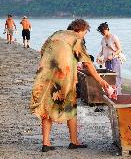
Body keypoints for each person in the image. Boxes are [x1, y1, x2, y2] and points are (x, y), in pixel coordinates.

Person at [30, 19, 109, 152]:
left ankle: (46, 144)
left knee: (46, 107)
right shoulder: (77, 38)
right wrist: (100, 81)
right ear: (81, 29)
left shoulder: (56, 34)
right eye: (85, 32)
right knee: (70, 107)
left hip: (46, 75)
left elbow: (43, 51)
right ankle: (73, 141)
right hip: (64, 78)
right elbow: (87, 63)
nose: (84, 36)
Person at [96, 22, 123, 95]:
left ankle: (118, 94)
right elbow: (102, 50)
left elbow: (120, 49)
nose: (102, 33)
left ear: (107, 29)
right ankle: (111, 94)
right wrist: (98, 56)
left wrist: (113, 55)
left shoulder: (114, 37)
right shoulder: (103, 39)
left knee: (116, 77)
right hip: (107, 61)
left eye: (103, 31)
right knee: (109, 78)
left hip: (115, 60)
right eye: (101, 32)